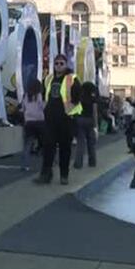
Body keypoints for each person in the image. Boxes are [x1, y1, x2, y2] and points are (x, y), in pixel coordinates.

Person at [34, 54, 81, 185]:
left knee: (65, 148)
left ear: (66, 65)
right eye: (56, 63)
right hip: (50, 119)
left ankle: (64, 175)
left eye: (61, 63)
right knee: (48, 147)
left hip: (66, 120)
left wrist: (70, 111)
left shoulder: (72, 79)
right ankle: (45, 174)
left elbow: (78, 97)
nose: (59, 66)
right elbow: (44, 95)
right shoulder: (49, 78)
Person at [20, 79, 47, 171]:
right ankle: (49, 162)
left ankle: (25, 165)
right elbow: (42, 107)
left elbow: (23, 108)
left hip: (29, 122)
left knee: (27, 144)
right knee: (45, 143)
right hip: (40, 121)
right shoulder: (39, 96)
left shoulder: (26, 96)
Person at [73, 80, 99, 169]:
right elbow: (94, 112)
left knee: (80, 143)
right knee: (91, 142)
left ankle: (78, 163)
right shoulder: (93, 99)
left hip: (80, 120)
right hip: (90, 120)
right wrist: (96, 125)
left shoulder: (79, 98)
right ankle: (92, 162)